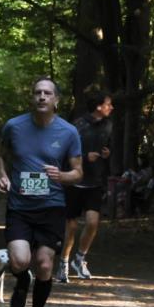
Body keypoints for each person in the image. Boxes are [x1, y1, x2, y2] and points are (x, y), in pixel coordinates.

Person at [0, 77, 83, 307]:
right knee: (20, 261)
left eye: (47, 93)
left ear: (56, 100)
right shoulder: (14, 126)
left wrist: (62, 176)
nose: (42, 97)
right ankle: (22, 280)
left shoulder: (68, 132)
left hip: (52, 207)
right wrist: (1, 176)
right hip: (20, 206)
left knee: (44, 265)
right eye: (37, 93)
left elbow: (78, 173)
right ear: (31, 98)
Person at [59, 88, 113, 282]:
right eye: (108, 104)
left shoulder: (108, 125)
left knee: (92, 222)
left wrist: (107, 154)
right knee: (71, 226)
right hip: (76, 181)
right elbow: (65, 152)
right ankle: (63, 263)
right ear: (99, 106)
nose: (111, 107)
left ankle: (79, 258)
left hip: (95, 182)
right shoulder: (78, 126)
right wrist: (84, 157)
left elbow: (109, 147)